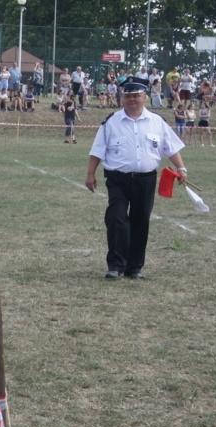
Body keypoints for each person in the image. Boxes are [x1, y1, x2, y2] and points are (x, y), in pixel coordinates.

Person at [85, 78, 187, 280]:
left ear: (144, 97)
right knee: (116, 218)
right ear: (122, 98)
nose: (132, 99)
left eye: (136, 96)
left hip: (146, 180)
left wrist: (181, 168)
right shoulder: (111, 122)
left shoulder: (157, 122)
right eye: (128, 96)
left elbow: (171, 147)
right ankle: (116, 266)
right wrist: (90, 174)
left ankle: (134, 268)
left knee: (141, 221)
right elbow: (97, 150)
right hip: (118, 179)